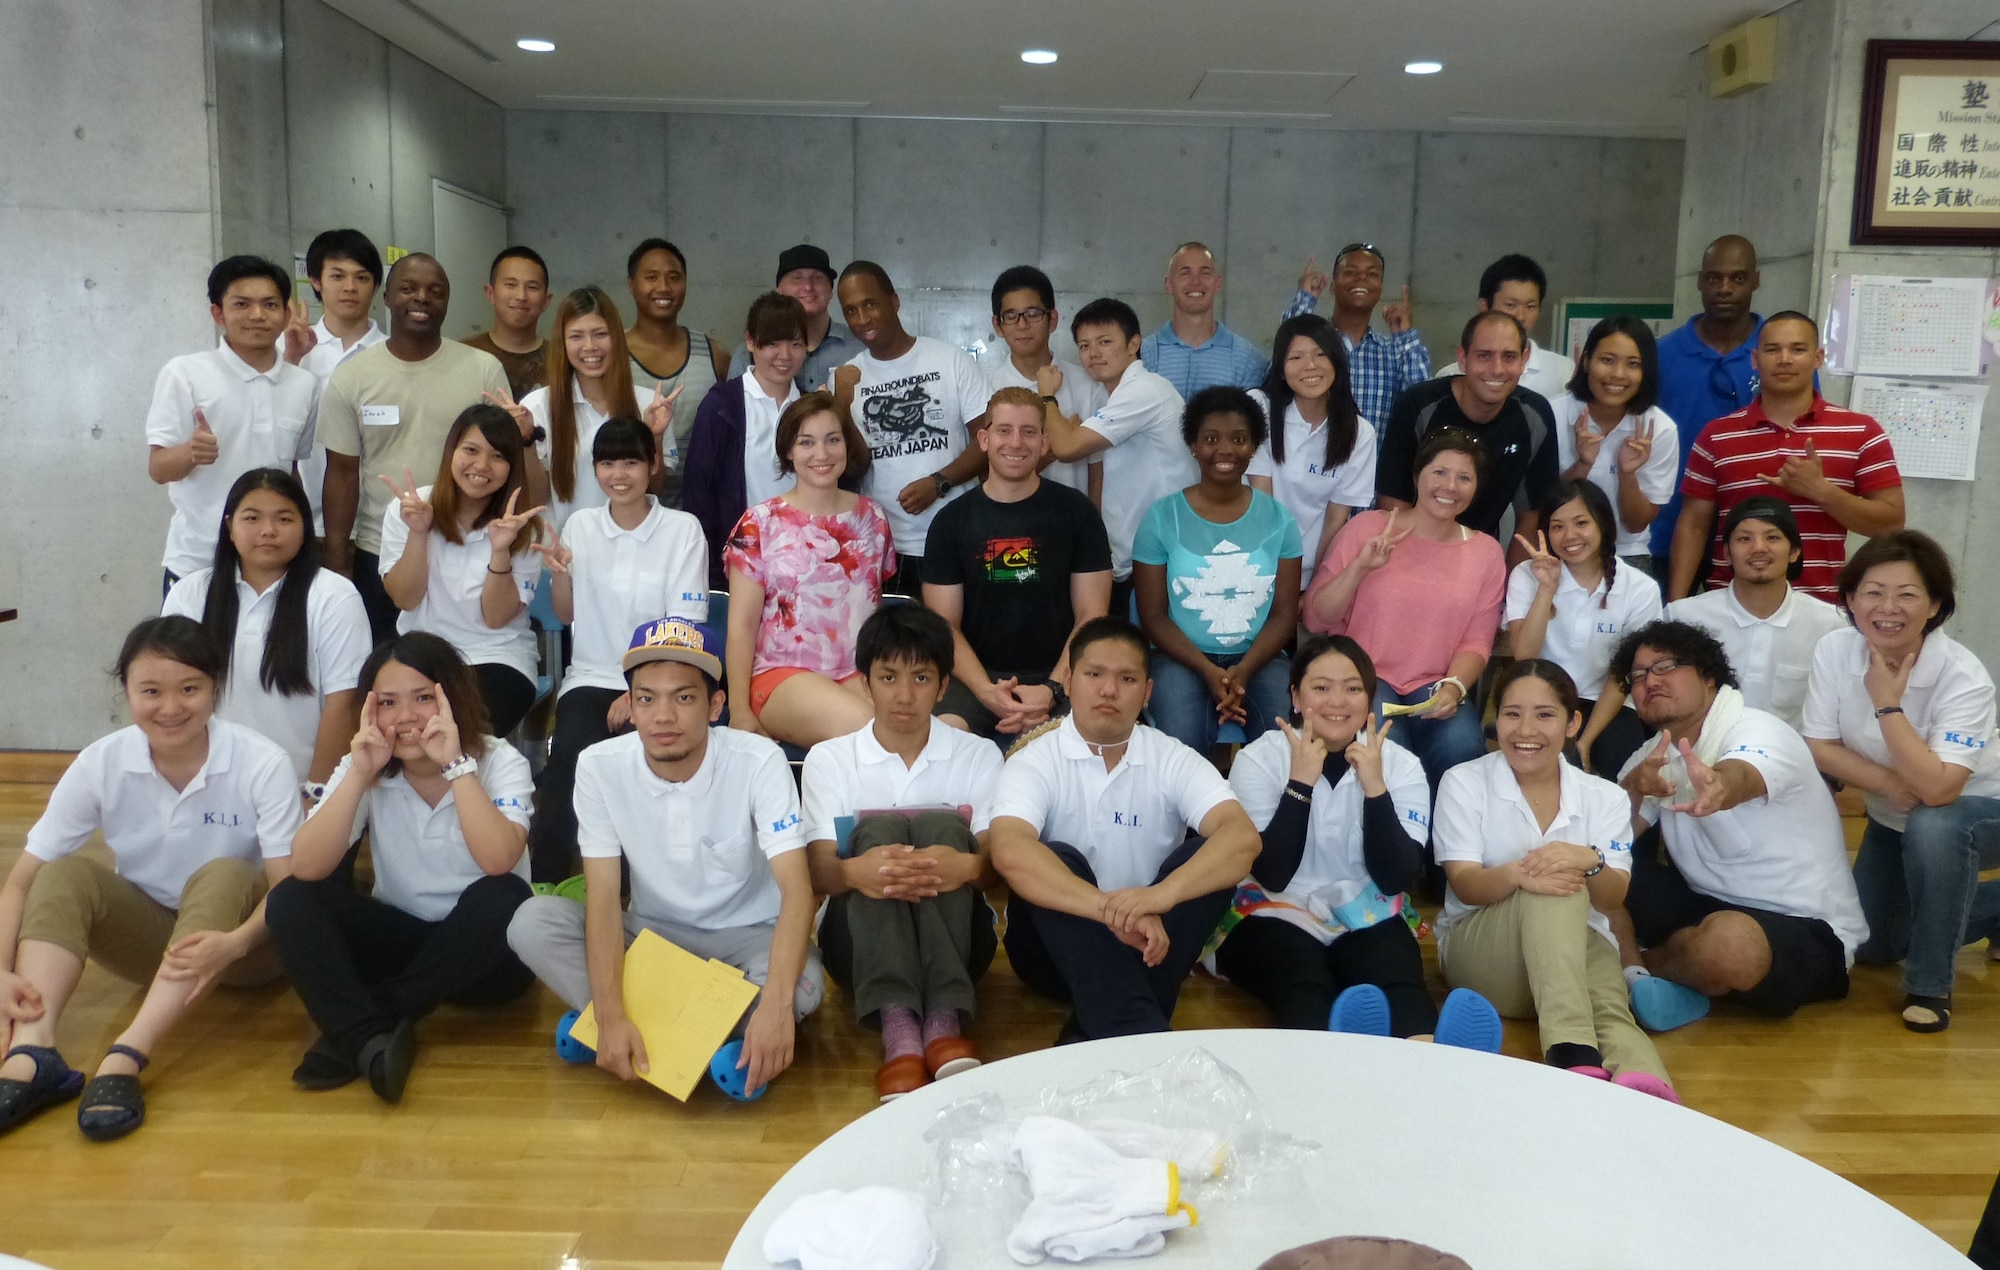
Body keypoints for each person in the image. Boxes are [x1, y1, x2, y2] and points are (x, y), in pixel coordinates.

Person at [0, 618, 296, 1139]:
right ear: (127, 692)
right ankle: (32, 1050)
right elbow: (21, 881)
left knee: (224, 870)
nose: (171, 707)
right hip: (157, 942)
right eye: (151, 691)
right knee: (63, 872)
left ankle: (127, 1054)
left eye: (189, 689)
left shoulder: (261, 762)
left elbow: (291, 894)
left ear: (215, 688)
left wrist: (235, 943)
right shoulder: (102, 762)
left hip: (248, 947)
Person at [506, 619, 823, 1099]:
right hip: (653, 939)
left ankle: (629, 1030)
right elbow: (605, 898)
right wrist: (611, 1015)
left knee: (805, 988)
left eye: (684, 697)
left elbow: (798, 891)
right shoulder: (599, 766)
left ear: (716, 705)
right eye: (647, 698)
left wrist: (777, 1006)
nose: (663, 716)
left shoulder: (759, 761)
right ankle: (678, 1037)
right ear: (628, 705)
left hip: (751, 939)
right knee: (530, 922)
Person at [265, 632, 534, 1102]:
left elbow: (499, 860)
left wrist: (456, 766)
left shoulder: (499, 761)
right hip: (403, 946)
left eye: (424, 698)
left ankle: (360, 1028)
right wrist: (359, 774)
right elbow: (306, 866)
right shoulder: (365, 763)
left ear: (454, 698)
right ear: (369, 710)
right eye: (388, 702)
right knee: (291, 898)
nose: (406, 717)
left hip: (489, 959)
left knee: (505, 896)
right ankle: (368, 1034)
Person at [989, 618, 1261, 1042]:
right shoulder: (1035, 759)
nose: (1109, 690)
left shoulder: (1171, 756)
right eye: (1094, 674)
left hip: (1152, 946)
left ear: (1147, 691)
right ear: (1069, 679)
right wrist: (1107, 912)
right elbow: (1008, 850)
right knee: (1057, 857)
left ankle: (1117, 1024)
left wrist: (1157, 898)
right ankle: (1141, 1028)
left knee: (1207, 855)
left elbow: (1242, 839)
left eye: (1127, 678)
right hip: (1055, 955)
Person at [1431, 659, 1676, 1100]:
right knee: (1555, 884)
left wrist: (1591, 861)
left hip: (1577, 955)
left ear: (1572, 723)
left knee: (1608, 1000)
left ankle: (1646, 1086)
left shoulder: (1604, 796)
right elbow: (1466, 884)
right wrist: (1529, 873)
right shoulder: (1463, 782)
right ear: (1496, 720)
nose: (1526, 729)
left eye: (1545, 715)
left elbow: (1612, 898)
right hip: (1484, 955)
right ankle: (1570, 1050)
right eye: (1512, 714)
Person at [1607, 620, 1868, 1031]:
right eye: (1637, 675)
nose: (1649, 682)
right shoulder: (1652, 752)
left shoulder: (1759, 729)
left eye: (1665, 666)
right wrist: (1635, 787)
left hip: (1803, 924)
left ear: (1709, 676)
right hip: (1700, 901)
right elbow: (1605, 840)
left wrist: (1717, 785)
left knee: (1729, 946)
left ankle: (1625, 968)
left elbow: (1742, 774)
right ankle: (1649, 976)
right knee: (1589, 871)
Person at [801, 606, 1005, 1099]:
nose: (904, 695)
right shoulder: (830, 759)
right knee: (880, 830)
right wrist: (857, 872)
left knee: (939, 824)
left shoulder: (978, 756)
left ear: (942, 686)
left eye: (920, 677)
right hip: (858, 950)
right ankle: (900, 1032)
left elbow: (1000, 864)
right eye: (888, 677)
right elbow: (819, 870)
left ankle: (941, 1021)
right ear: (866, 684)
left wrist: (970, 865)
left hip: (961, 949)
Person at [1803, 532, 2000, 1033]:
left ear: (1935, 605)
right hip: (1896, 813)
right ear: (1849, 599)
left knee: (1937, 825)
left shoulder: (1963, 676)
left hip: (1982, 808)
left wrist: (1886, 702)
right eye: (1872, 591)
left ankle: (1930, 986)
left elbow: (1939, 791)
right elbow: (1820, 744)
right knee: (1871, 945)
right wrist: (1889, 785)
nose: (1887, 608)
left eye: (1908, 594)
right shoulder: (1834, 649)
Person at [1211, 636, 1435, 1036]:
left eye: (1352, 689)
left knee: (1399, 989)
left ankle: (1434, 1067)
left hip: (1367, 906)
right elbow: (1272, 873)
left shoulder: (1400, 765)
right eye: (1321, 687)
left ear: (1370, 698)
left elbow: (1396, 876)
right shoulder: (1259, 759)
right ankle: (1327, 1073)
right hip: (1270, 909)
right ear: (1296, 696)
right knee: (1305, 987)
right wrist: (1300, 784)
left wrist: (1375, 789)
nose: (1337, 701)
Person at [527, 417, 708, 883]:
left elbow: (681, 630)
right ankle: (544, 884)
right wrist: (561, 574)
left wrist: (640, 694)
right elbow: (566, 617)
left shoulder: (682, 529)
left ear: (652, 466)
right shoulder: (580, 526)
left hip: (660, 680)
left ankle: (642, 890)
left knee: (644, 765)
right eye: (607, 463)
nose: (619, 474)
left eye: (631, 461)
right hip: (590, 677)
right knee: (571, 757)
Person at [318, 253, 514, 643]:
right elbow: (341, 471)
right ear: (387, 297)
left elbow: (504, 459)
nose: (421, 298)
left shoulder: (483, 369)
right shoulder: (353, 376)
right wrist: (338, 557)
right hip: (381, 550)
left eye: (435, 291)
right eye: (408, 289)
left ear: (447, 301)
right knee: (388, 677)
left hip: (466, 547)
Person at [1306, 429, 1505, 790]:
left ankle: (1443, 845)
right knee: (1387, 754)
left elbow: (1477, 641)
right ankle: (1390, 844)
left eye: (1464, 478)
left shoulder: (1486, 553)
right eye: (1440, 472)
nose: (1450, 486)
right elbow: (1316, 617)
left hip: (1434, 682)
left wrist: (1455, 688)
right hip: (1362, 677)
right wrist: (1360, 568)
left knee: (1463, 747)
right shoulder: (1369, 527)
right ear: (1417, 476)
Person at [1668, 311, 1903, 601]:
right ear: (1755, 359)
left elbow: (1891, 524)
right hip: (1730, 606)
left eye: (1798, 349)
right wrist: (1675, 606)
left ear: (1818, 358)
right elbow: (1693, 525)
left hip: (1823, 607)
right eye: (1772, 349)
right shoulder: (1716, 435)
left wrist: (1821, 491)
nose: (1784, 359)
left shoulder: (1862, 431)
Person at [923, 387, 1112, 741]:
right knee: (944, 738)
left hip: (1064, 675)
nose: (1016, 442)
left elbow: (1093, 615)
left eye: (1028, 432)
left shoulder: (1077, 512)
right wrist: (985, 691)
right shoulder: (951, 521)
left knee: (1094, 743)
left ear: (1044, 442)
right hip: (975, 678)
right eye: (1004, 430)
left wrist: (1053, 689)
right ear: (984, 438)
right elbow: (943, 624)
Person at [163, 469, 370, 790]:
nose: (268, 531)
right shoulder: (190, 595)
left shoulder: (334, 596)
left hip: (304, 786)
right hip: (211, 786)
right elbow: (172, 696)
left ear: (304, 529)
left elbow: (343, 703)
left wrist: (316, 793)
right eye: (252, 518)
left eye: (284, 519)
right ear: (230, 527)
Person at [1133, 386, 1302, 754]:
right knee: (1181, 744)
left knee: (1281, 747)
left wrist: (1243, 670)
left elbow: (1286, 614)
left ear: (1254, 446)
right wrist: (1208, 670)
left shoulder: (1279, 519)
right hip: (1179, 657)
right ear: (1192, 445)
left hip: (1261, 657)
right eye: (1210, 439)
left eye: (1239, 439)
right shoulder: (1162, 517)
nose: (1225, 450)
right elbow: (1153, 615)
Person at [724, 393, 894, 748]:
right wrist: (739, 711)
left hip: (858, 673)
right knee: (873, 732)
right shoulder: (759, 523)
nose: (822, 454)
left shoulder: (872, 517)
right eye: (807, 442)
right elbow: (741, 625)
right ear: (788, 450)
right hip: (781, 676)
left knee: (921, 732)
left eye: (833, 439)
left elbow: (872, 609)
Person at [146, 255, 321, 595]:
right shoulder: (184, 374)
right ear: (218, 314)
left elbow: (291, 472)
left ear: (285, 315)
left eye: (270, 304)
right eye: (242, 304)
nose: (257, 315)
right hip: (198, 563)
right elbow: (158, 468)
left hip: (275, 565)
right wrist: (190, 453)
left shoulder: (303, 384)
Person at [377, 403, 548, 737]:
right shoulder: (410, 508)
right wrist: (418, 533)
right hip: (421, 655)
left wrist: (500, 550)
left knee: (461, 736)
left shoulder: (525, 528)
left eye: (498, 456)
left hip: (498, 656)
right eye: (471, 450)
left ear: (512, 465)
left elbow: (496, 619)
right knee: (399, 733)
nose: (481, 466)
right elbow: (406, 598)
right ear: (450, 451)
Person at [832, 261, 990, 594]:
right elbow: (853, 467)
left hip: (953, 538)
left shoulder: (950, 360)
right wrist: (840, 407)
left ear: (894, 301)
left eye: (870, 304)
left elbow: (989, 441)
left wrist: (940, 482)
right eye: (851, 311)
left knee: (950, 642)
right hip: (883, 546)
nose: (862, 320)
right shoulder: (844, 377)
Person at [1030, 298, 1192, 619]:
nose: (1093, 353)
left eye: (1105, 342)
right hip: (1135, 556)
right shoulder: (1114, 395)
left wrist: (1046, 395)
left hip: (1162, 560)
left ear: (1134, 344)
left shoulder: (1144, 391)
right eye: (1084, 345)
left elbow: (1066, 448)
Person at [1505, 481, 1662, 776]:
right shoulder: (1527, 576)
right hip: (1540, 697)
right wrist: (1546, 588)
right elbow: (1524, 657)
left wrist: (1585, 740)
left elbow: (1622, 675)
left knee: (1626, 771)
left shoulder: (1640, 588)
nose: (1570, 536)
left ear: (1602, 524)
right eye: (1557, 526)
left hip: (1608, 702)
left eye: (1581, 523)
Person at [1376, 311, 1559, 552]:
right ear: (1462, 358)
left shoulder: (1535, 415)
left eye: (1509, 357)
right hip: (1410, 547)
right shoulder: (1418, 405)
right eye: (1484, 356)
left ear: (1524, 360)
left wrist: (1512, 587)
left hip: (1478, 556)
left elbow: (1531, 520)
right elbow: (1392, 507)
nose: (1497, 369)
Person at [1663, 496, 1844, 732]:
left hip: (1790, 762)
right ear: (1727, 553)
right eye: (1744, 539)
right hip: (1698, 757)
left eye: (1772, 537)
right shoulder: (1682, 618)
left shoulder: (1832, 625)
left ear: (1794, 552)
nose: (1758, 548)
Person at [1648, 235, 1764, 575]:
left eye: (1737, 278)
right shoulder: (1661, 355)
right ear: (1700, 281)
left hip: (1754, 530)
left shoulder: (1779, 353)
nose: (1725, 288)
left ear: (1756, 281)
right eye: (1714, 278)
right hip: (1668, 527)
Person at [684, 293, 813, 586]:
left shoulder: (811, 407)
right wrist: (715, 572)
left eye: (795, 344)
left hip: (804, 564)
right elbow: (698, 494)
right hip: (740, 566)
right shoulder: (722, 405)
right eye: (773, 343)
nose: (785, 355)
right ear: (751, 342)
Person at [516, 285, 671, 529]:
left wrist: (656, 437)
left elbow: (655, 490)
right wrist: (526, 441)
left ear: (617, 338)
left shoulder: (650, 405)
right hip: (562, 554)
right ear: (563, 343)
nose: (590, 346)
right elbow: (536, 499)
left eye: (600, 334)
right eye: (576, 336)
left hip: (632, 549)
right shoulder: (535, 407)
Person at [1248, 315, 1376, 580]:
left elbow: (1335, 521)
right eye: (1296, 357)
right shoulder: (1260, 407)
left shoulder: (1359, 433)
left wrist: (1318, 587)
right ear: (1281, 369)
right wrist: (1278, 585)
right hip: (1256, 566)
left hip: (1315, 573)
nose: (1310, 366)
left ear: (1337, 363)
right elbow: (1263, 508)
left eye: (1320, 354)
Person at [1550, 316, 1680, 571]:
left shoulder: (1660, 429)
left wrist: (1627, 474)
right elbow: (1541, 508)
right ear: (1586, 361)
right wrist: (1583, 464)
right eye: (1607, 360)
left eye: (1633, 364)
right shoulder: (1551, 414)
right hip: (1557, 549)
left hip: (1625, 554)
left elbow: (1636, 524)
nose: (1618, 375)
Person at [290, 229, 387, 538]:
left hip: (377, 525)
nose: (350, 287)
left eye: (361, 277)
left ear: (375, 286)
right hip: (302, 522)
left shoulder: (393, 355)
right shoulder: (290, 351)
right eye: (337, 276)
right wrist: (290, 362)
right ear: (316, 282)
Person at [1282, 243, 1429, 437]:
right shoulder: (1313, 346)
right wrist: (1304, 300)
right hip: (1310, 464)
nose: (1361, 278)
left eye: (1372, 274)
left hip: (1374, 465)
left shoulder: (1394, 351)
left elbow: (1421, 405)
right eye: (1350, 272)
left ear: (1381, 290)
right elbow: (1281, 365)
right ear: (1333, 286)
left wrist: (1405, 336)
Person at [625, 238, 730, 504]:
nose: (664, 287)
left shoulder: (713, 353)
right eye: (651, 277)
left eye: (674, 277)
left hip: (700, 511)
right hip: (630, 509)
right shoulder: (611, 354)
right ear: (631, 284)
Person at [986, 264, 1103, 494]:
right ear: (997, 325)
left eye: (1033, 313)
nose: (1022, 325)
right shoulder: (986, 389)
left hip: (1073, 521)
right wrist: (1054, 449)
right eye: (1011, 316)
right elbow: (985, 473)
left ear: (1052, 320)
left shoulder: (1088, 385)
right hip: (1009, 523)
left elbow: (1097, 469)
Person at [1437, 255, 1576, 402]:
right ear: (1485, 306)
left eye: (1530, 306)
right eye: (1511, 305)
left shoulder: (1563, 371)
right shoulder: (1450, 376)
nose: (1521, 316)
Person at [1139, 243, 1269, 396]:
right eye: (1185, 273)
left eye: (1205, 273)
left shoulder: (1248, 359)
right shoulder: (1142, 355)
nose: (1196, 282)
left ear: (1218, 283)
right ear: (1169, 285)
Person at [726, 244, 858, 392]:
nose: (808, 286)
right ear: (779, 291)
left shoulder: (858, 347)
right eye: (797, 278)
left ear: (831, 291)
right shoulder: (749, 354)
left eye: (818, 278)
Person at [460, 245, 552, 399]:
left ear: (546, 301)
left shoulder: (562, 358)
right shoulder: (464, 355)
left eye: (532, 287)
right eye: (511, 285)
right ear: (490, 293)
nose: (521, 296)